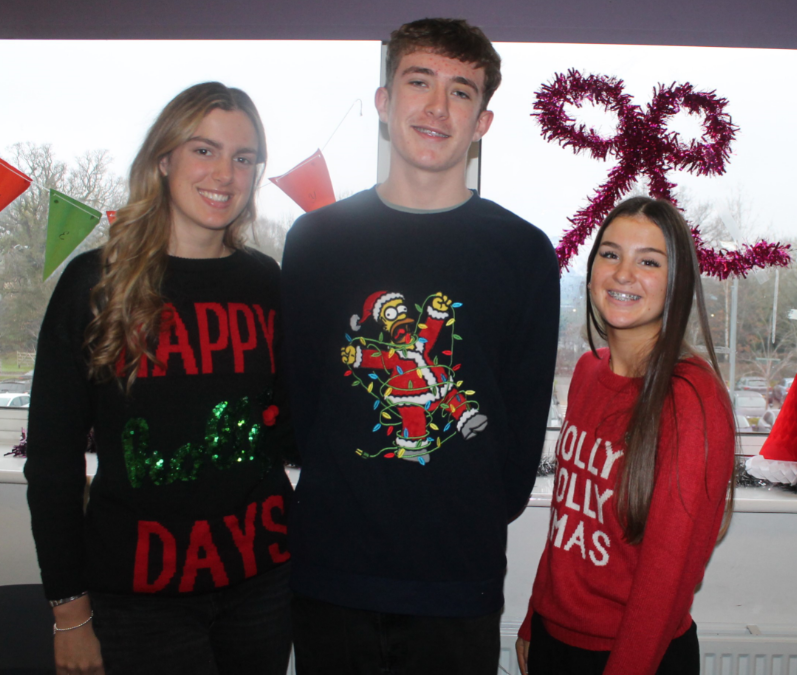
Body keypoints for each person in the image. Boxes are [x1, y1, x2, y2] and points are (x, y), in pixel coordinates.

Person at [281, 17, 560, 675]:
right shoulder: (315, 241)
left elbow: (520, 428)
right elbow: (296, 402)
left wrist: (464, 508)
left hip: (456, 582)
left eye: (461, 91)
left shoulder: (522, 252)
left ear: (482, 121)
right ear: (384, 102)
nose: (437, 107)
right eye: (418, 82)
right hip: (330, 575)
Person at [25, 82, 293, 675]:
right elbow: (52, 461)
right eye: (204, 150)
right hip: (139, 601)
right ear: (164, 159)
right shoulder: (95, 284)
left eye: (244, 158)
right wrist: (69, 613)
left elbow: (289, 426)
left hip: (263, 584)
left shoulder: (266, 282)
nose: (225, 173)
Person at [516, 197, 736, 675]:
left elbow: (668, 578)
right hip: (557, 641)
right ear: (591, 269)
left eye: (649, 262)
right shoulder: (586, 373)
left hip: (635, 654)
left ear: (676, 283)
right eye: (610, 254)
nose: (622, 274)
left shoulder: (692, 399)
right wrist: (535, 617)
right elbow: (566, 524)